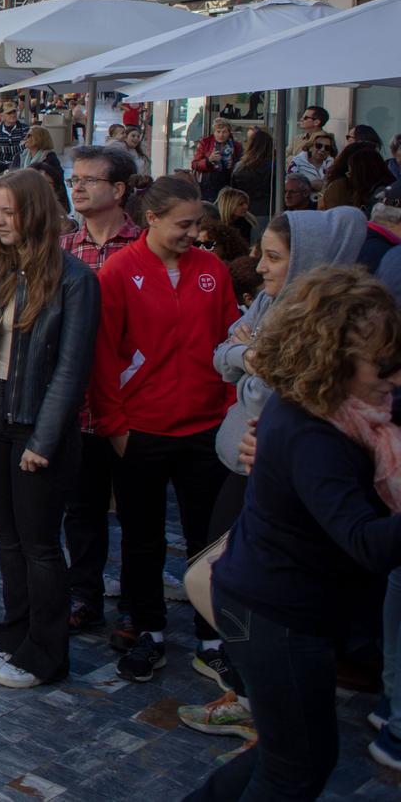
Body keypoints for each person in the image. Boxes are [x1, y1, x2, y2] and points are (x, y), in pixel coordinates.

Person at [183, 268, 401, 802]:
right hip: (273, 617)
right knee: (297, 765)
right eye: (387, 365)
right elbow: (368, 543)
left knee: (289, 750)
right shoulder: (313, 431)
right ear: (337, 358)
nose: (397, 378)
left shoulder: (346, 408)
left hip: (267, 604)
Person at [177, 205, 369, 743]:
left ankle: (256, 693)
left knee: (229, 581)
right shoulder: (268, 302)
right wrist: (247, 357)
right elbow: (224, 354)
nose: (259, 267)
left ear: (309, 260)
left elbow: (276, 388)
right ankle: (245, 684)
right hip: (243, 462)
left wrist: (249, 363)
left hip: (270, 473)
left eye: (274, 257)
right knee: (218, 575)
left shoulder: (331, 326)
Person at [0, 168, 99, 689]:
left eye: (8, 212)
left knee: (38, 545)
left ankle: (45, 653)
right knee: (7, 540)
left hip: (38, 427)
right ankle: (12, 637)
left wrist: (44, 439)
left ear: (35, 212)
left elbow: (72, 370)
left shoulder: (77, 280)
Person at [92, 176, 238, 684]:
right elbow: (104, 354)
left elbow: (229, 346)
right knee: (141, 538)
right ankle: (148, 630)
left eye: (198, 223)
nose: (194, 233)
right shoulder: (118, 271)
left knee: (208, 539)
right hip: (142, 430)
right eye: (184, 224)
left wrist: (227, 411)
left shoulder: (212, 270)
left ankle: (210, 636)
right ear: (151, 219)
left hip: (204, 431)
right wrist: (115, 424)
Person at [58, 144, 147, 635]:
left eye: (89, 180)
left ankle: (135, 602)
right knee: (82, 509)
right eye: (75, 180)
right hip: (79, 404)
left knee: (137, 510)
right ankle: (84, 594)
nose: (78, 187)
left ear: (118, 190)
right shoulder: (66, 249)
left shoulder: (144, 248)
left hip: (131, 404)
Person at [193, 118, 244, 200]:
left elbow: (242, 165)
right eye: (218, 132)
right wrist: (208, 161)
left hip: (228, 183)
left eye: (224, 132)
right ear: (214, 132)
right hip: (209, 184)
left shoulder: (236, 146)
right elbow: (195, 164)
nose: (221, 135)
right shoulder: (205, 143)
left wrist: (234, 163)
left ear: (229, 132)